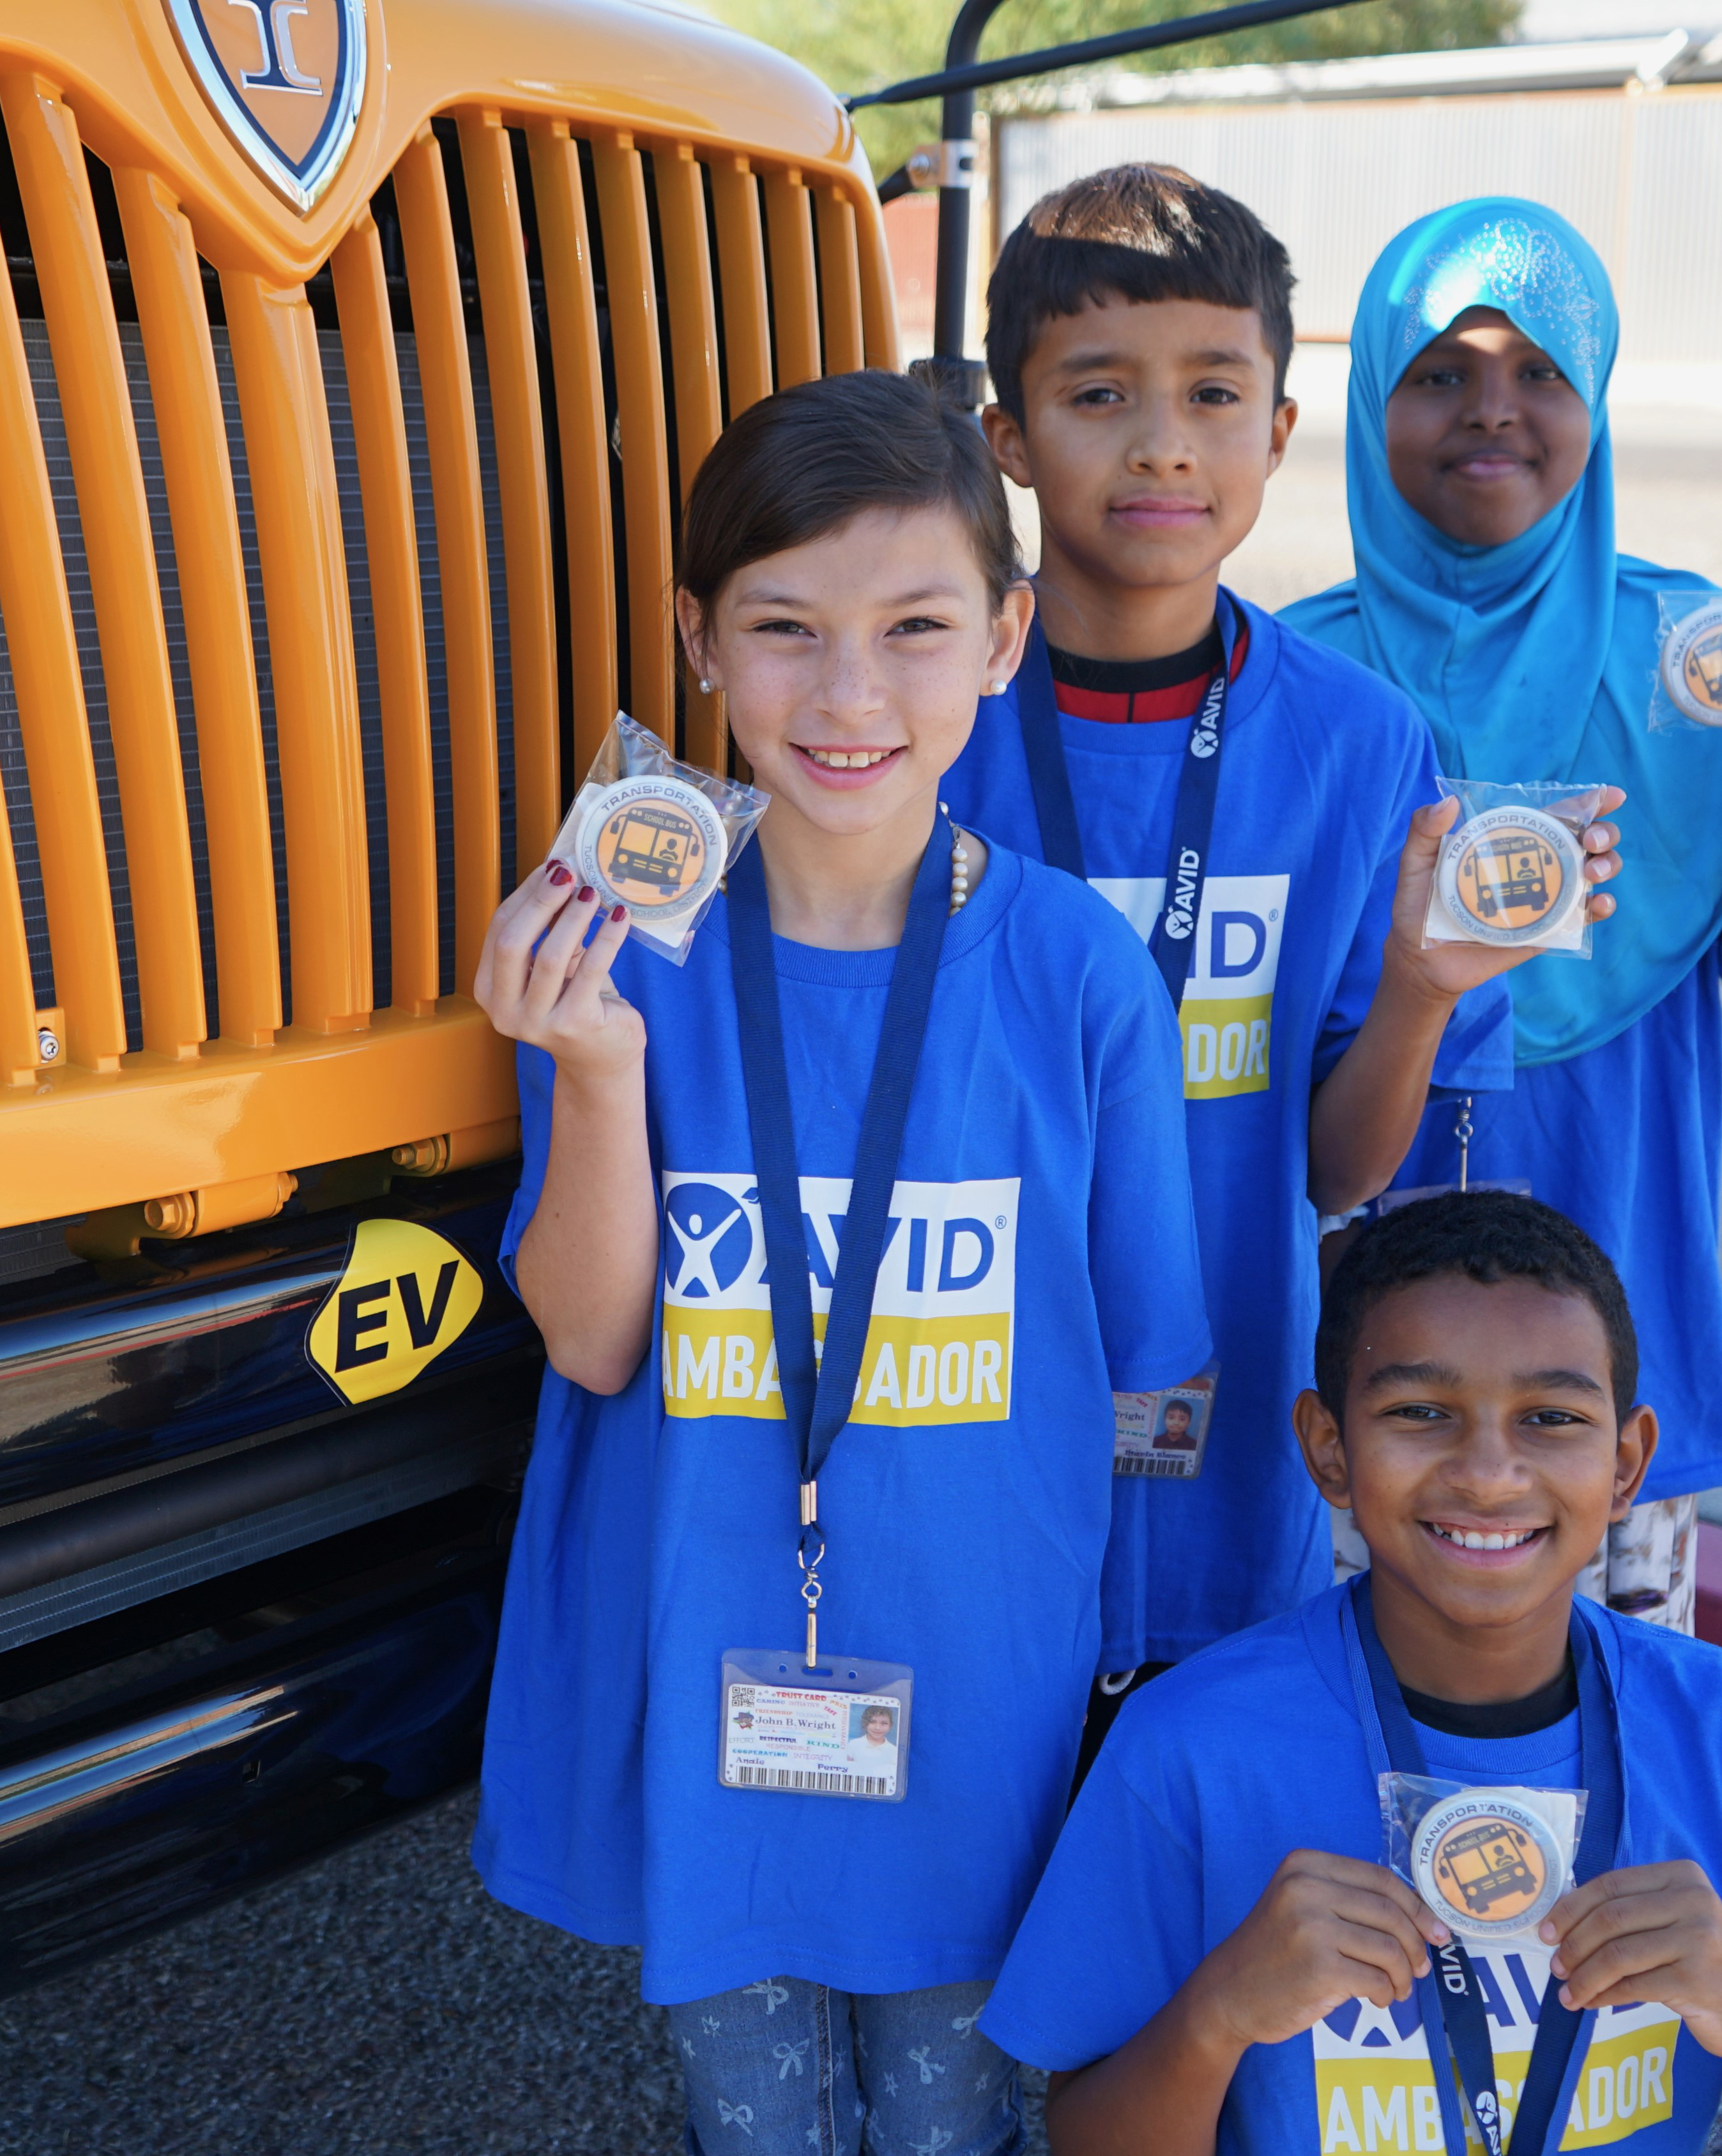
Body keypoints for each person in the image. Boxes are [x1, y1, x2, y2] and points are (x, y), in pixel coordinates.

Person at [469, 367, 1210, 2156]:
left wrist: (1116, 1665)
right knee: (760, 2128)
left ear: (1006, 638)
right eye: (785, 629)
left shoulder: (1071, 973)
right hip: (709, 1651)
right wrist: (596, 1072)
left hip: (976, 1684)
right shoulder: (619, 953)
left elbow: (1146, 1372)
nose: (852, 691)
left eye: (916, 628)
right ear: (699, 643)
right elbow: (587, 1340)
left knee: (956, 2123)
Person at [949, 167, 1620, 1721]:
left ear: (1280, 430)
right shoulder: (921, 711)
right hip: (962, 1419)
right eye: (1098, 393)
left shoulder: (1362, 744)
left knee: (1185, 1898)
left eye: (1213, 393)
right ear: (1008, 436)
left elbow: (1336, 1174)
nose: (1165, 441)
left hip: (1221, 1447)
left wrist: (1419, 988)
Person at [982, 1191, 1722, 2156]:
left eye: (1550, 1418)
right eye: (1421, 1411)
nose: (1489, 1473)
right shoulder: (1189, 1746)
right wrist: (1219, 2013)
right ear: (1329, 1449)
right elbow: (1089, 2132)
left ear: (1627, 1465)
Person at [1284, 199, 1722, 1634]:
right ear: (1374, 396)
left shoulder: (1689, 659)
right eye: (1440, 372)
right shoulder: (1297, 686)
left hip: (1611, 1356)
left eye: (1542, 375)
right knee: (1350, 1761)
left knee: (1604, 1765)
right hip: (1354, 1378)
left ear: (1597, 403)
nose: (1491, 412)